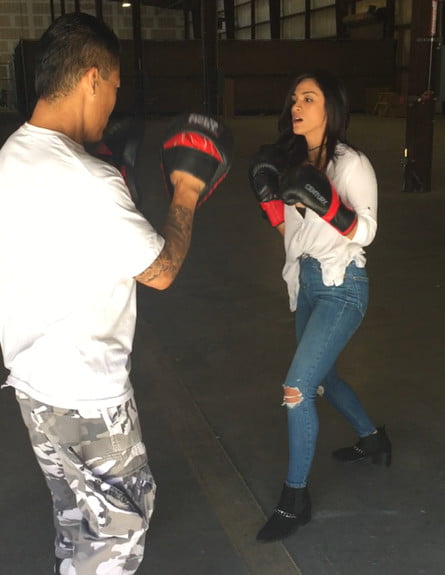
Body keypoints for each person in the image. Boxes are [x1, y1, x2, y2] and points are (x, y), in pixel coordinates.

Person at [0, 12, 232, 575]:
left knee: (77, 518)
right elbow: (161, 270)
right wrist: (186, 191)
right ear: (92, 79)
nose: (113, 103)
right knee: (116, 539)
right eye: (114, 87)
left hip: (33, 388)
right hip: (89, 397)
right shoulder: (90, 181)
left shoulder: (12, 154)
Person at [249, 69, 391, 543]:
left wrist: (329, 205)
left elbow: (366, 231)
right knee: (323, 379)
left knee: (297, 389)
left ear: (331, 107)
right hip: (308, 283)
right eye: (294, 98)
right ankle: (373, 439)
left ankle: (295, 500)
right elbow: (293, 235)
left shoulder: (351, 164)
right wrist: (275, 207)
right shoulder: (293, 163)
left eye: (308, 98)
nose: (297, 106)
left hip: (342, 285)